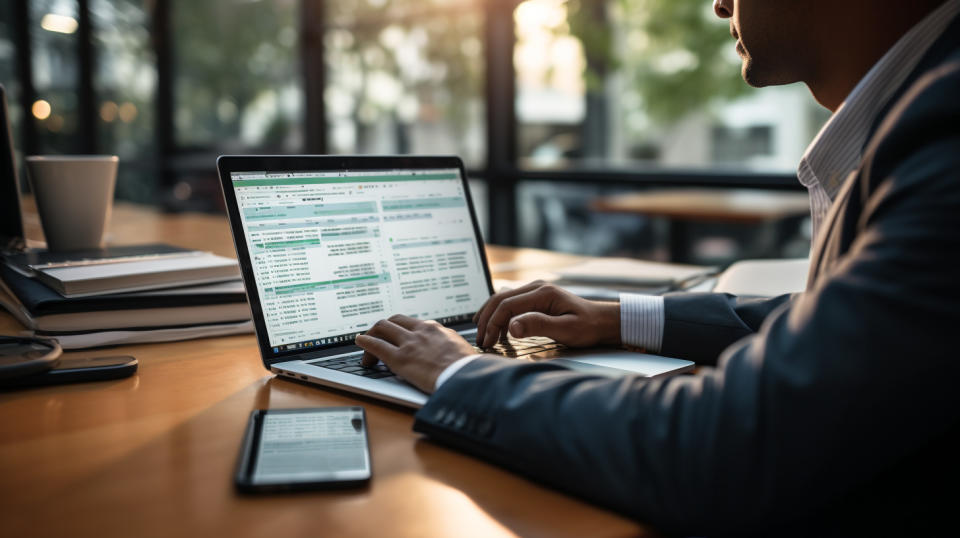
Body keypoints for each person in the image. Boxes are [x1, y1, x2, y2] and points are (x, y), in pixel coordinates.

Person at [356, 0, 960, 534]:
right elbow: (837, 325)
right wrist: (616, 317)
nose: (721, 5)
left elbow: (722, 448)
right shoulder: (928, 106)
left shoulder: (943, 133)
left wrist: (460, 375)